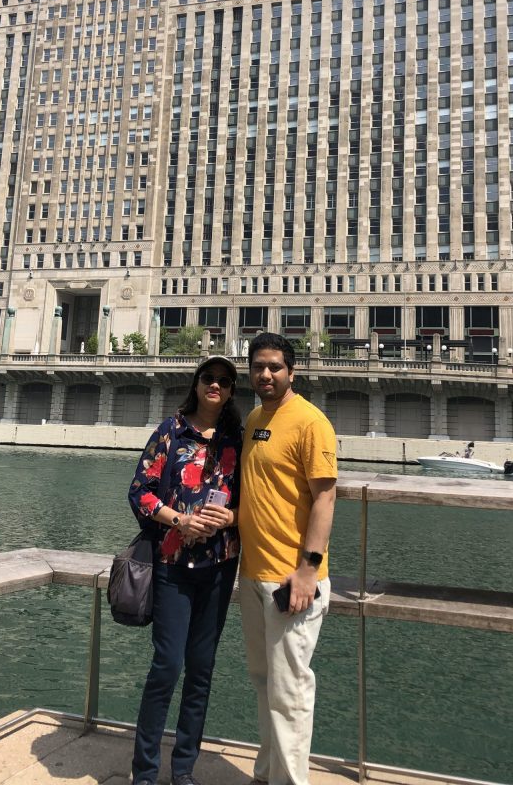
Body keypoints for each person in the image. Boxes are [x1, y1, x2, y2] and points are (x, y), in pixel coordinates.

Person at [127, 356, 242, 785]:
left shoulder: (237, 439)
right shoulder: (169, 431)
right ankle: (144, 772)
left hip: (219, 565)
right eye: (208, 378)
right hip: (172, 563)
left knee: (201, 669)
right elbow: (139, 492)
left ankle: (184, 772)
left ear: (231, 390)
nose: (215, 385)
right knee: (167, 665)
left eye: (224, 381)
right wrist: (179, 519)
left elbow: (251, 502)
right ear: (196, 384)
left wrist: (230, 519)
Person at [238, 332, 337, 785]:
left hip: (290, 580)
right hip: (252, 574)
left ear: (291, 372)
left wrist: (307, 571)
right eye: (259, 366)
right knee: (264, 683)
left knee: (290, 691)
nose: (266, 374)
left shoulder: (311, 422)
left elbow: (325, 498)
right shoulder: (255, 417)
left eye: (275, 366)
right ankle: (267, 773)